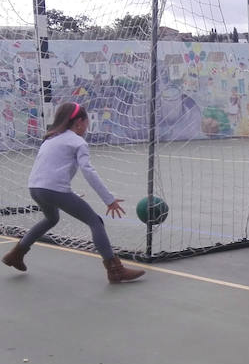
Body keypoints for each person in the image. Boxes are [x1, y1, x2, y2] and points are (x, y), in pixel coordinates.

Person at [2, 102, 145, 283]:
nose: (87, 126)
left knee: (51, 219)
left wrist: (69, 195)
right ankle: (116, 270)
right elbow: (88, 171)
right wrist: (108, 199)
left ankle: (16, 254)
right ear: (79, 122)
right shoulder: (78, 142)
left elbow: (50, 171)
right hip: (53, 190)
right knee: (95, 221)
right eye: (86, 122)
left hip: (35, 188)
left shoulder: (51, 139)